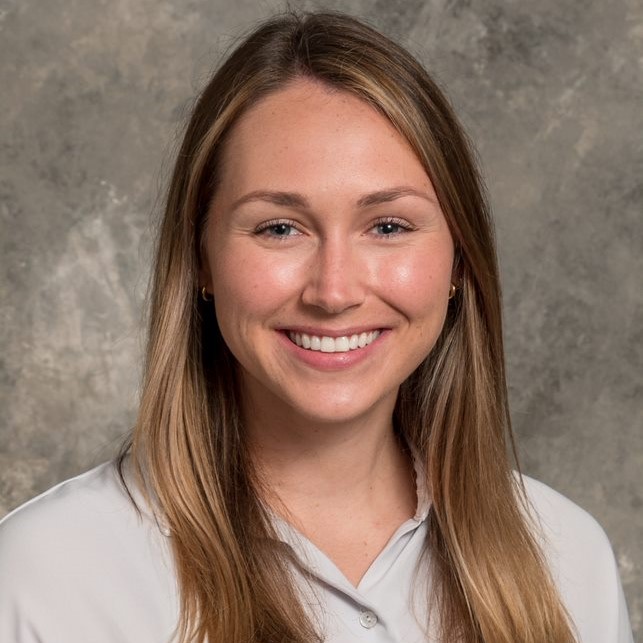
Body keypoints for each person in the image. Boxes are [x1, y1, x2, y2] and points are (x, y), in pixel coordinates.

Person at [0, 10, 634, 643]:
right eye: (280, 228)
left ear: (458, 260)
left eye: (388, 226)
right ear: (201, 259)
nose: (334, 292)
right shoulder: (44, 580)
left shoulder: (567, 559)